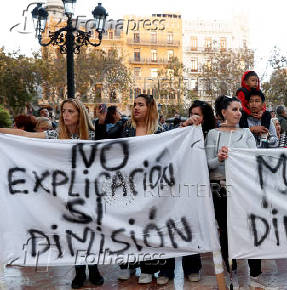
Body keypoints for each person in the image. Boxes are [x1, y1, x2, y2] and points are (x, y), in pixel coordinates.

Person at [0, 99, 103, 289]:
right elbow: (24, 135)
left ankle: (94, 268)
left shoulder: (95, 136)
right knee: (75, 232)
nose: (65, 115)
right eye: (64, 111)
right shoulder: (58, 135)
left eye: (71, 111)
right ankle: (79, 271)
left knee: (91, 230)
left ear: (80, 114)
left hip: (91, 191)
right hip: (67, 193)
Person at [95, 94, 169, 285]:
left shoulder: (160, 130)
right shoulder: (125, 127)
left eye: (141, 105)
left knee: (147, 227)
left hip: (149, 187)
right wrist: (102, 122)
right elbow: (104, 142)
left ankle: (148, 268)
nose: (136, 108)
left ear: (150, 108)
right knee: (126, 226)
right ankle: (127, 265)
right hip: (125, 187)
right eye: (135, 104)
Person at [206, 95, 273, 288]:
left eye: (239, 109)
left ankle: (256, 274)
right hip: (221, 190)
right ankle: (231, 272)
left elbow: (253, 160)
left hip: (244, 190)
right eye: (234, 109)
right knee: (226, 232)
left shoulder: (246, 133)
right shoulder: (212, 134)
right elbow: (205, 163)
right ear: (222, 112)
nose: (238, 113)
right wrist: (218, 158)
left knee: (251, 228)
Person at [162, 100, 216, 283]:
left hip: (198, 187)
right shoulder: (181, 131)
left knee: (192, 225)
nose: (193, 117)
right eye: (191, 113)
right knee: (170, 224)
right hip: (178, 185)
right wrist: (185, 127)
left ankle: (193, 267)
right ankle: (166, 270)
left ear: (205, 118)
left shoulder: (211, 135)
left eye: (198, 114)